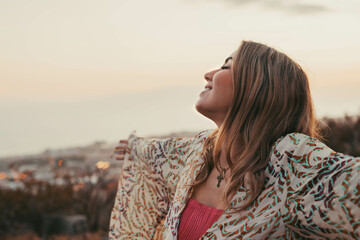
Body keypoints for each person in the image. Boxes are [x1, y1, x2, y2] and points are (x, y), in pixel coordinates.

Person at [109, 41, 360, 239]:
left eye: (226, 66)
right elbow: (155, 152)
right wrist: (133, 146)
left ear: (257, 87)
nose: (208, 74)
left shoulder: (291, 161)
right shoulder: (197, 153)